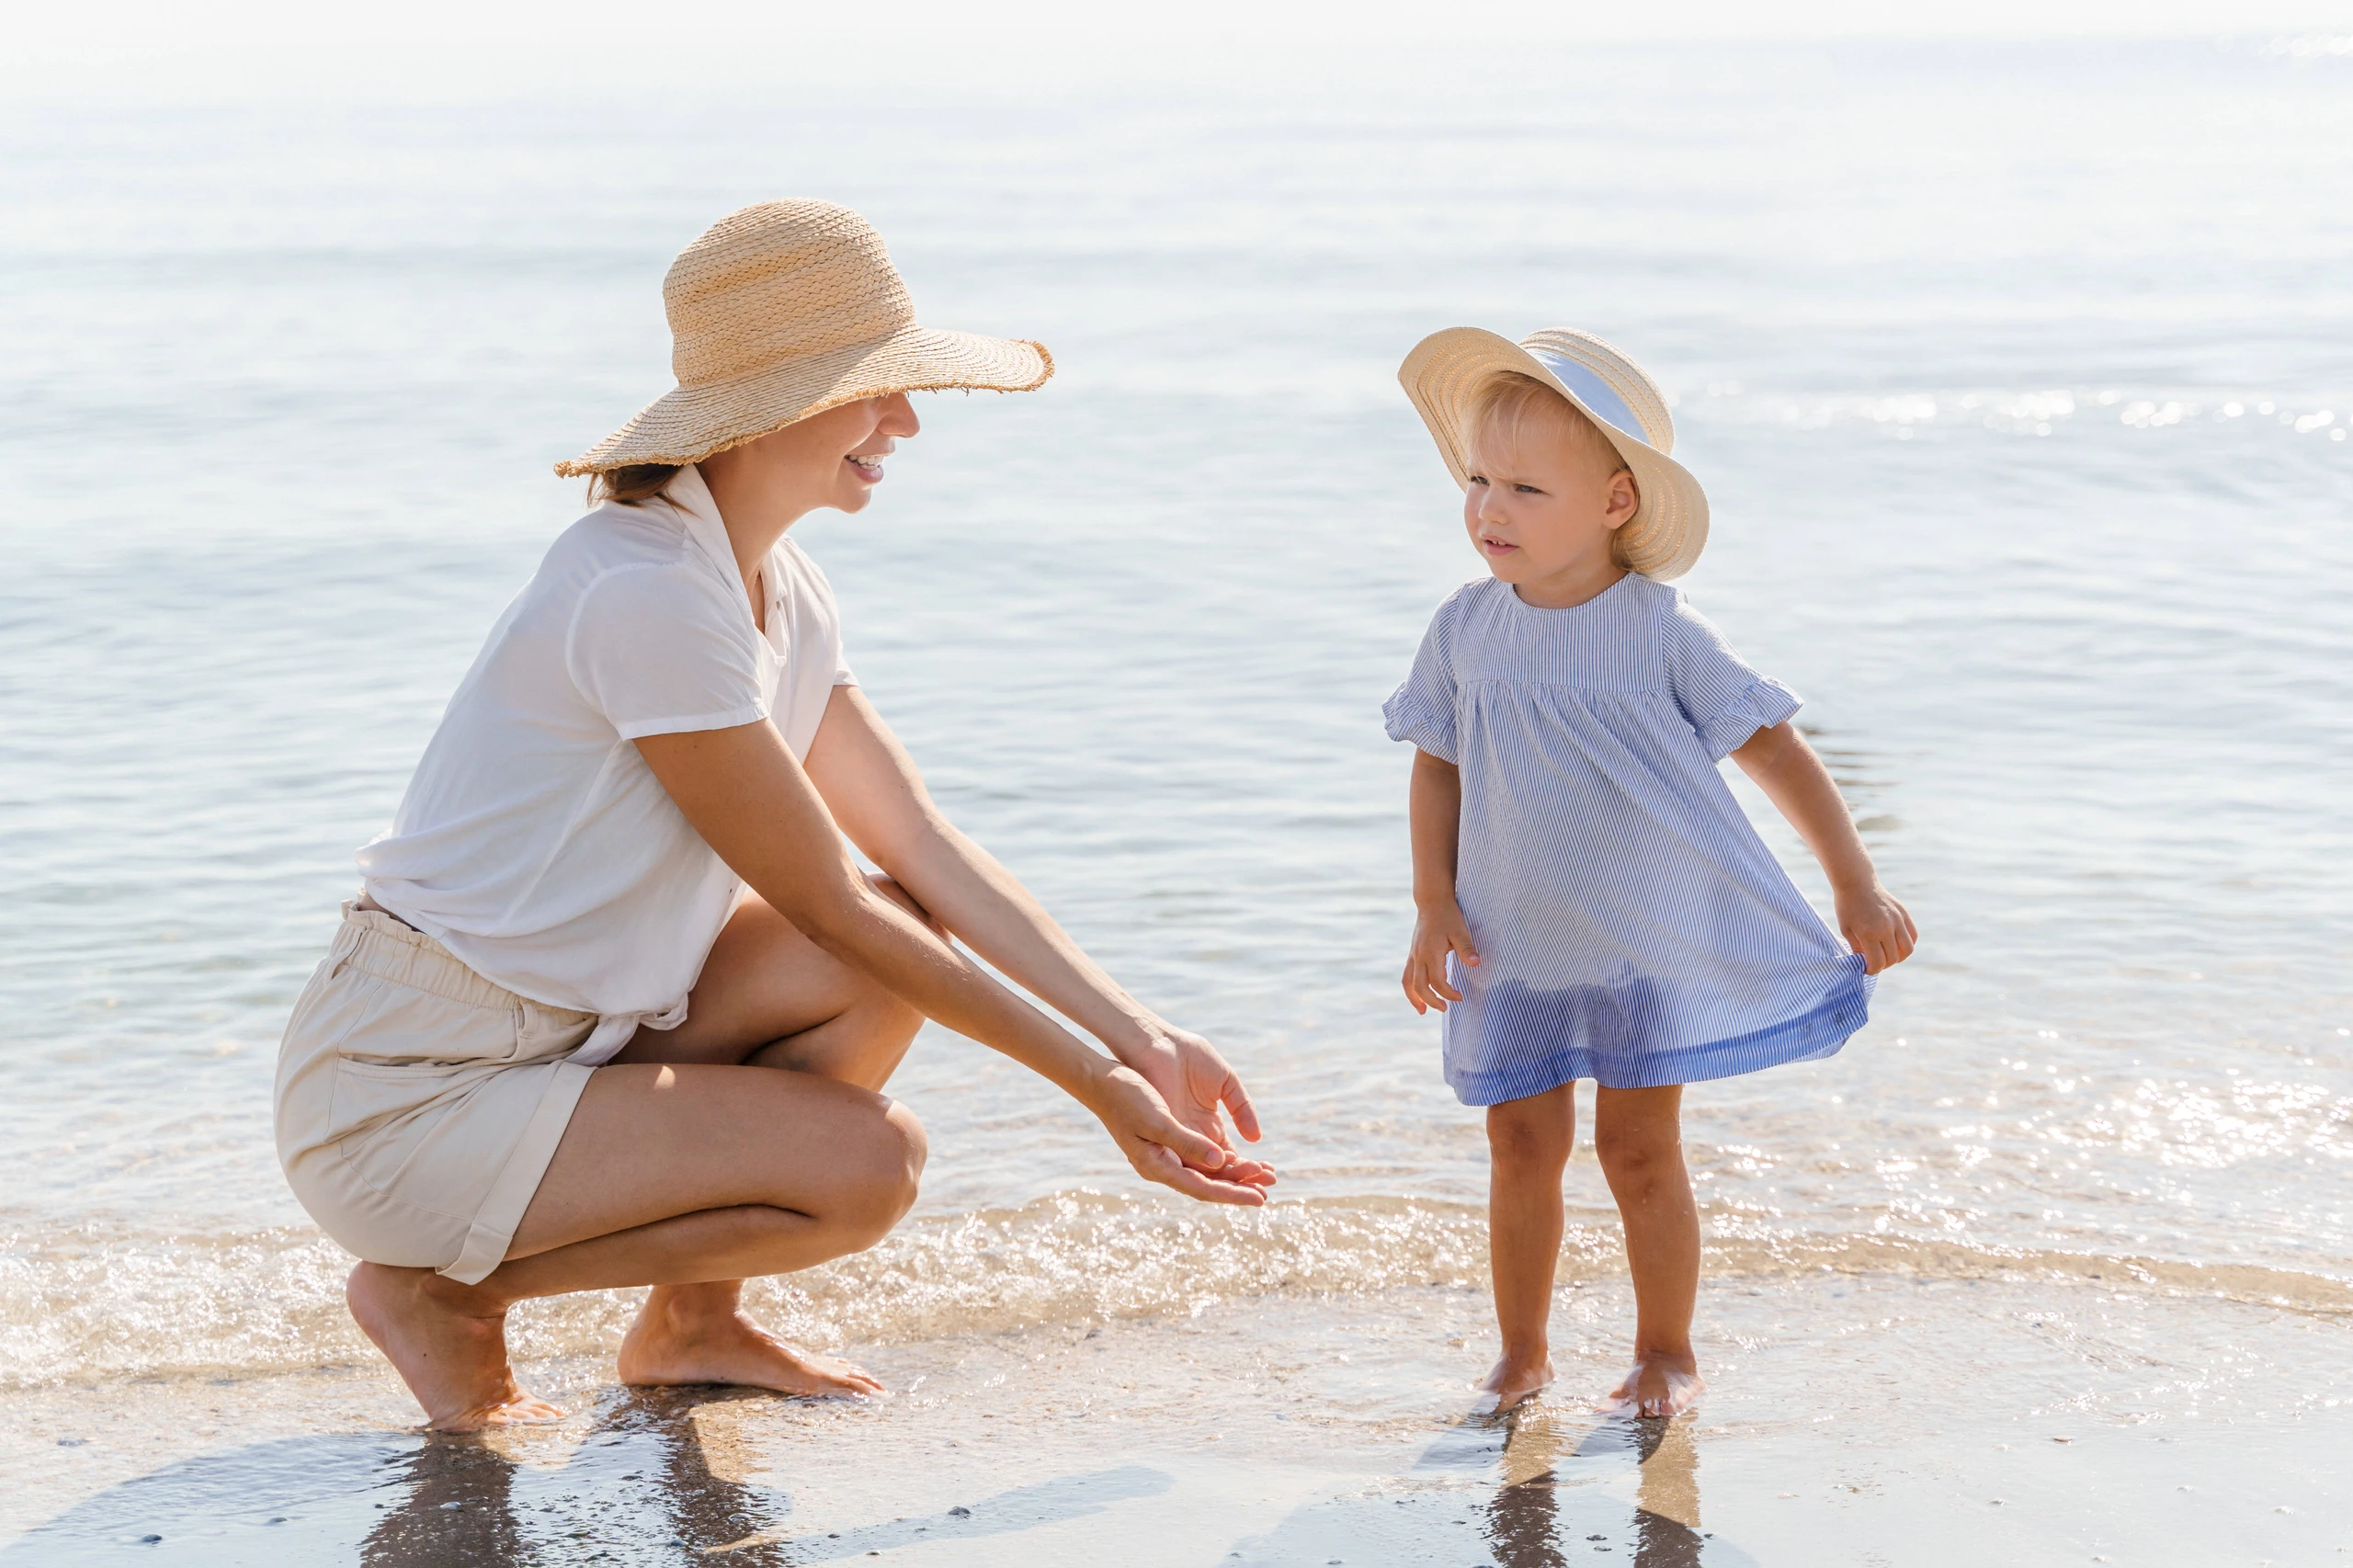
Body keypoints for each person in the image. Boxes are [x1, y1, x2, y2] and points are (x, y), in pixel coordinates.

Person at [273, 200, 1273, 1434]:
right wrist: (1099, 1085)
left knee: (881, 951)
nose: (906, 422)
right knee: (869, 1167)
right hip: (410, 1093)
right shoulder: (641, 588)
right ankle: (442, 1294)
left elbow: (915, 845)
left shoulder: (776, 585)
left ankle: (690, 1324)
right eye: (876, 390)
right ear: (777, 405)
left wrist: (1143, 1034)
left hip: (570, 1039)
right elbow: (826, 896)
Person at [1384, 327, 1915, 1417]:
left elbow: (1775, 750)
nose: (1488, 508)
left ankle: (1665, 1350)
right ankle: (1521, 1353)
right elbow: (1437, 764)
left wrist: (1852, 881)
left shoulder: (1660, 632)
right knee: (1518, 1144)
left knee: (1636, 1150)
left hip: (1640, 945)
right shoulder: (1463, 628)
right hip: (1509, 941)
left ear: (1615, 502)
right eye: (1477, 480)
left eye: (1525, 488)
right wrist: (1431, 901)